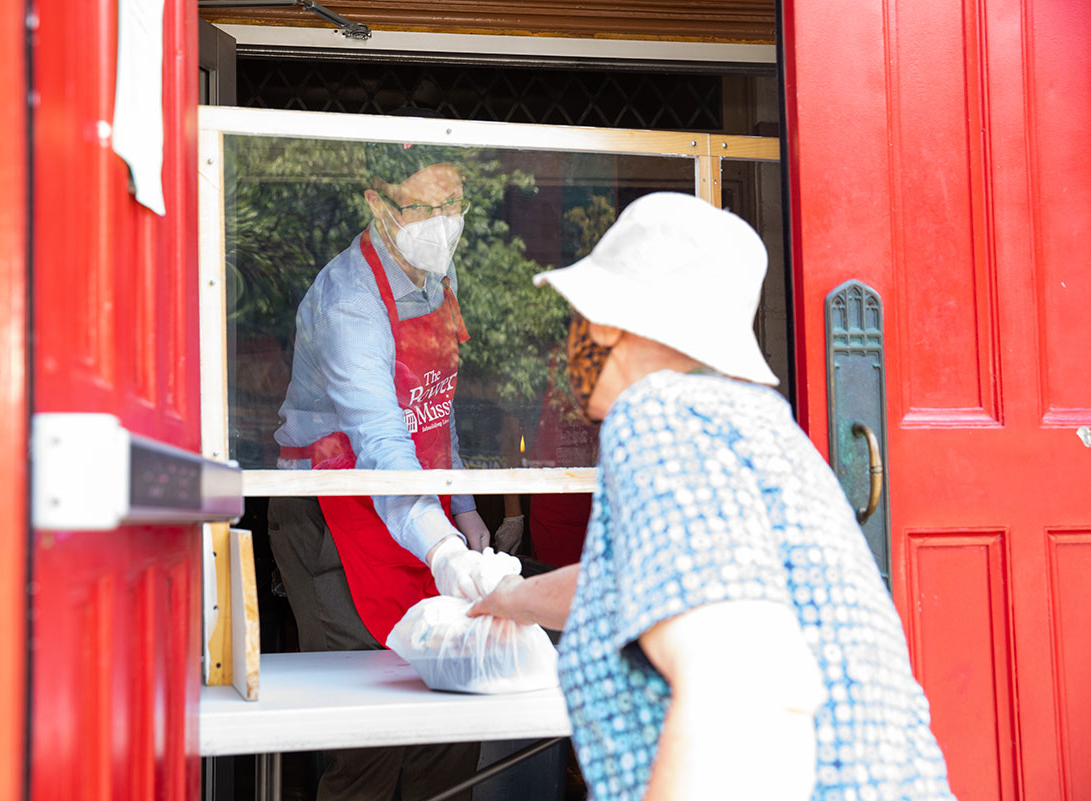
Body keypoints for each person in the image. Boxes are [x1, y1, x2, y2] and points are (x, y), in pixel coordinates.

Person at [471, 192, 956, 801]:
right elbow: (631, 581)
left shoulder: (658, 412)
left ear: (604, 321)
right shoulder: (752, 421)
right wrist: (507, 599)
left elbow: (741, 684)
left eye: (577, 313)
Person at [268, 140, 518, 801]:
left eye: (455, 203)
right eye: (424, 206)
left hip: (420, 502)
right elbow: (380, 440)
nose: (445, 221)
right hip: (334, 511)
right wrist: (442, 548)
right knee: (373, 727)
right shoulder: (348, 302)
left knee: (450, 713)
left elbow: (437, 408)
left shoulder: (438, 273)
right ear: (377, 206)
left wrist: (465, 514)